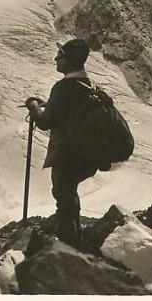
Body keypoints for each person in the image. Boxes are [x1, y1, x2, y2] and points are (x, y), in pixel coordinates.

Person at [24, 38, 97, 246]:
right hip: (84, 153)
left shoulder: (63, 87)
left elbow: (46, 122)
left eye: (61, 56)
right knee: (68, 193)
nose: (56, 58)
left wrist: (34, 107)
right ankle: (74, 238)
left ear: (70, 60)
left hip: (67, 153)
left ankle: (67, 245)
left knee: (63, 194)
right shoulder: (85, 84)